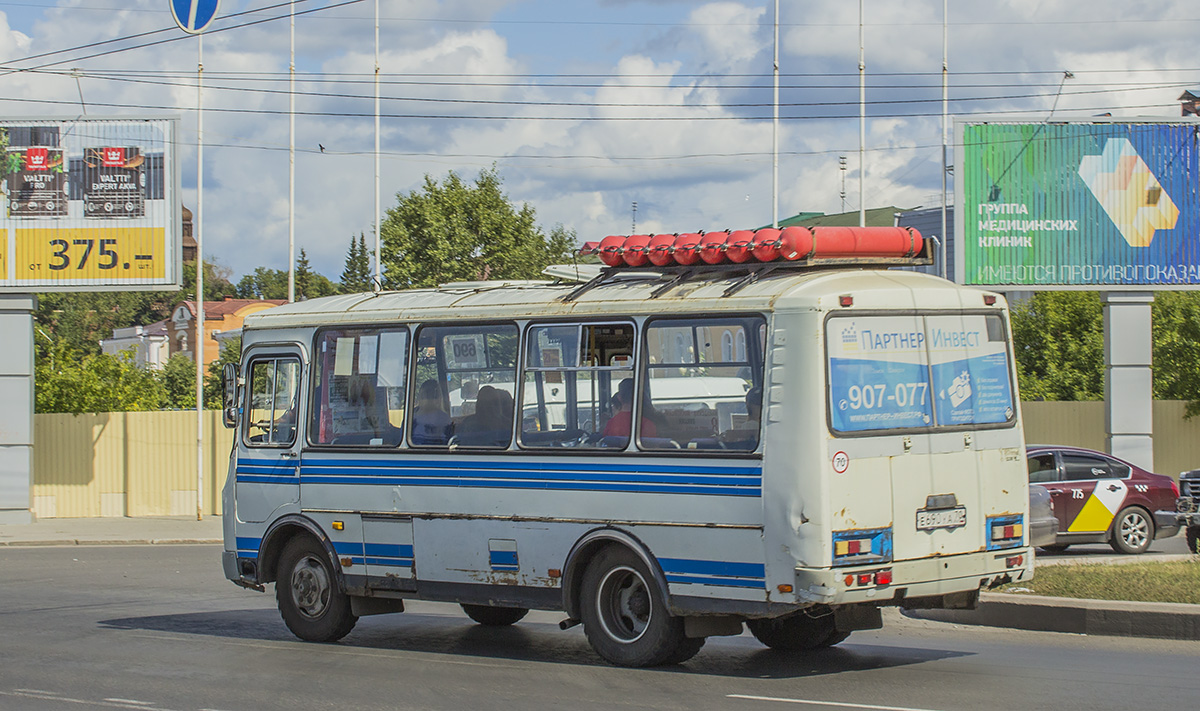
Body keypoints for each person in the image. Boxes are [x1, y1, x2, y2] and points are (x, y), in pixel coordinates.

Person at [412, 379, 452, 445]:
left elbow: (447, 444)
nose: (428, 399)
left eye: (433, 396)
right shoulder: (411, 419)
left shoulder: (444, 419)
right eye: (426, 395)